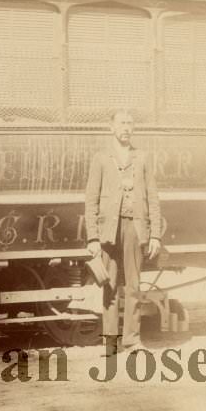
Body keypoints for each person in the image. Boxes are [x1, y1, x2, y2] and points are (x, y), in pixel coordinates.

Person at [84, 109, 162, 354]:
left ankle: (132, 340)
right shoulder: (101, 159)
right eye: (121, 123)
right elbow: (91, 199)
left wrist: (155, 234)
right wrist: (93, 237)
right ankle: (110, 342)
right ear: (112, 128)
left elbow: (153, 197)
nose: (126, 128)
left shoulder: (143, 158)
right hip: (109, 229)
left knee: (134, 285)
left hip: (135, 228)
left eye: (130, 123)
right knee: (109, 285)